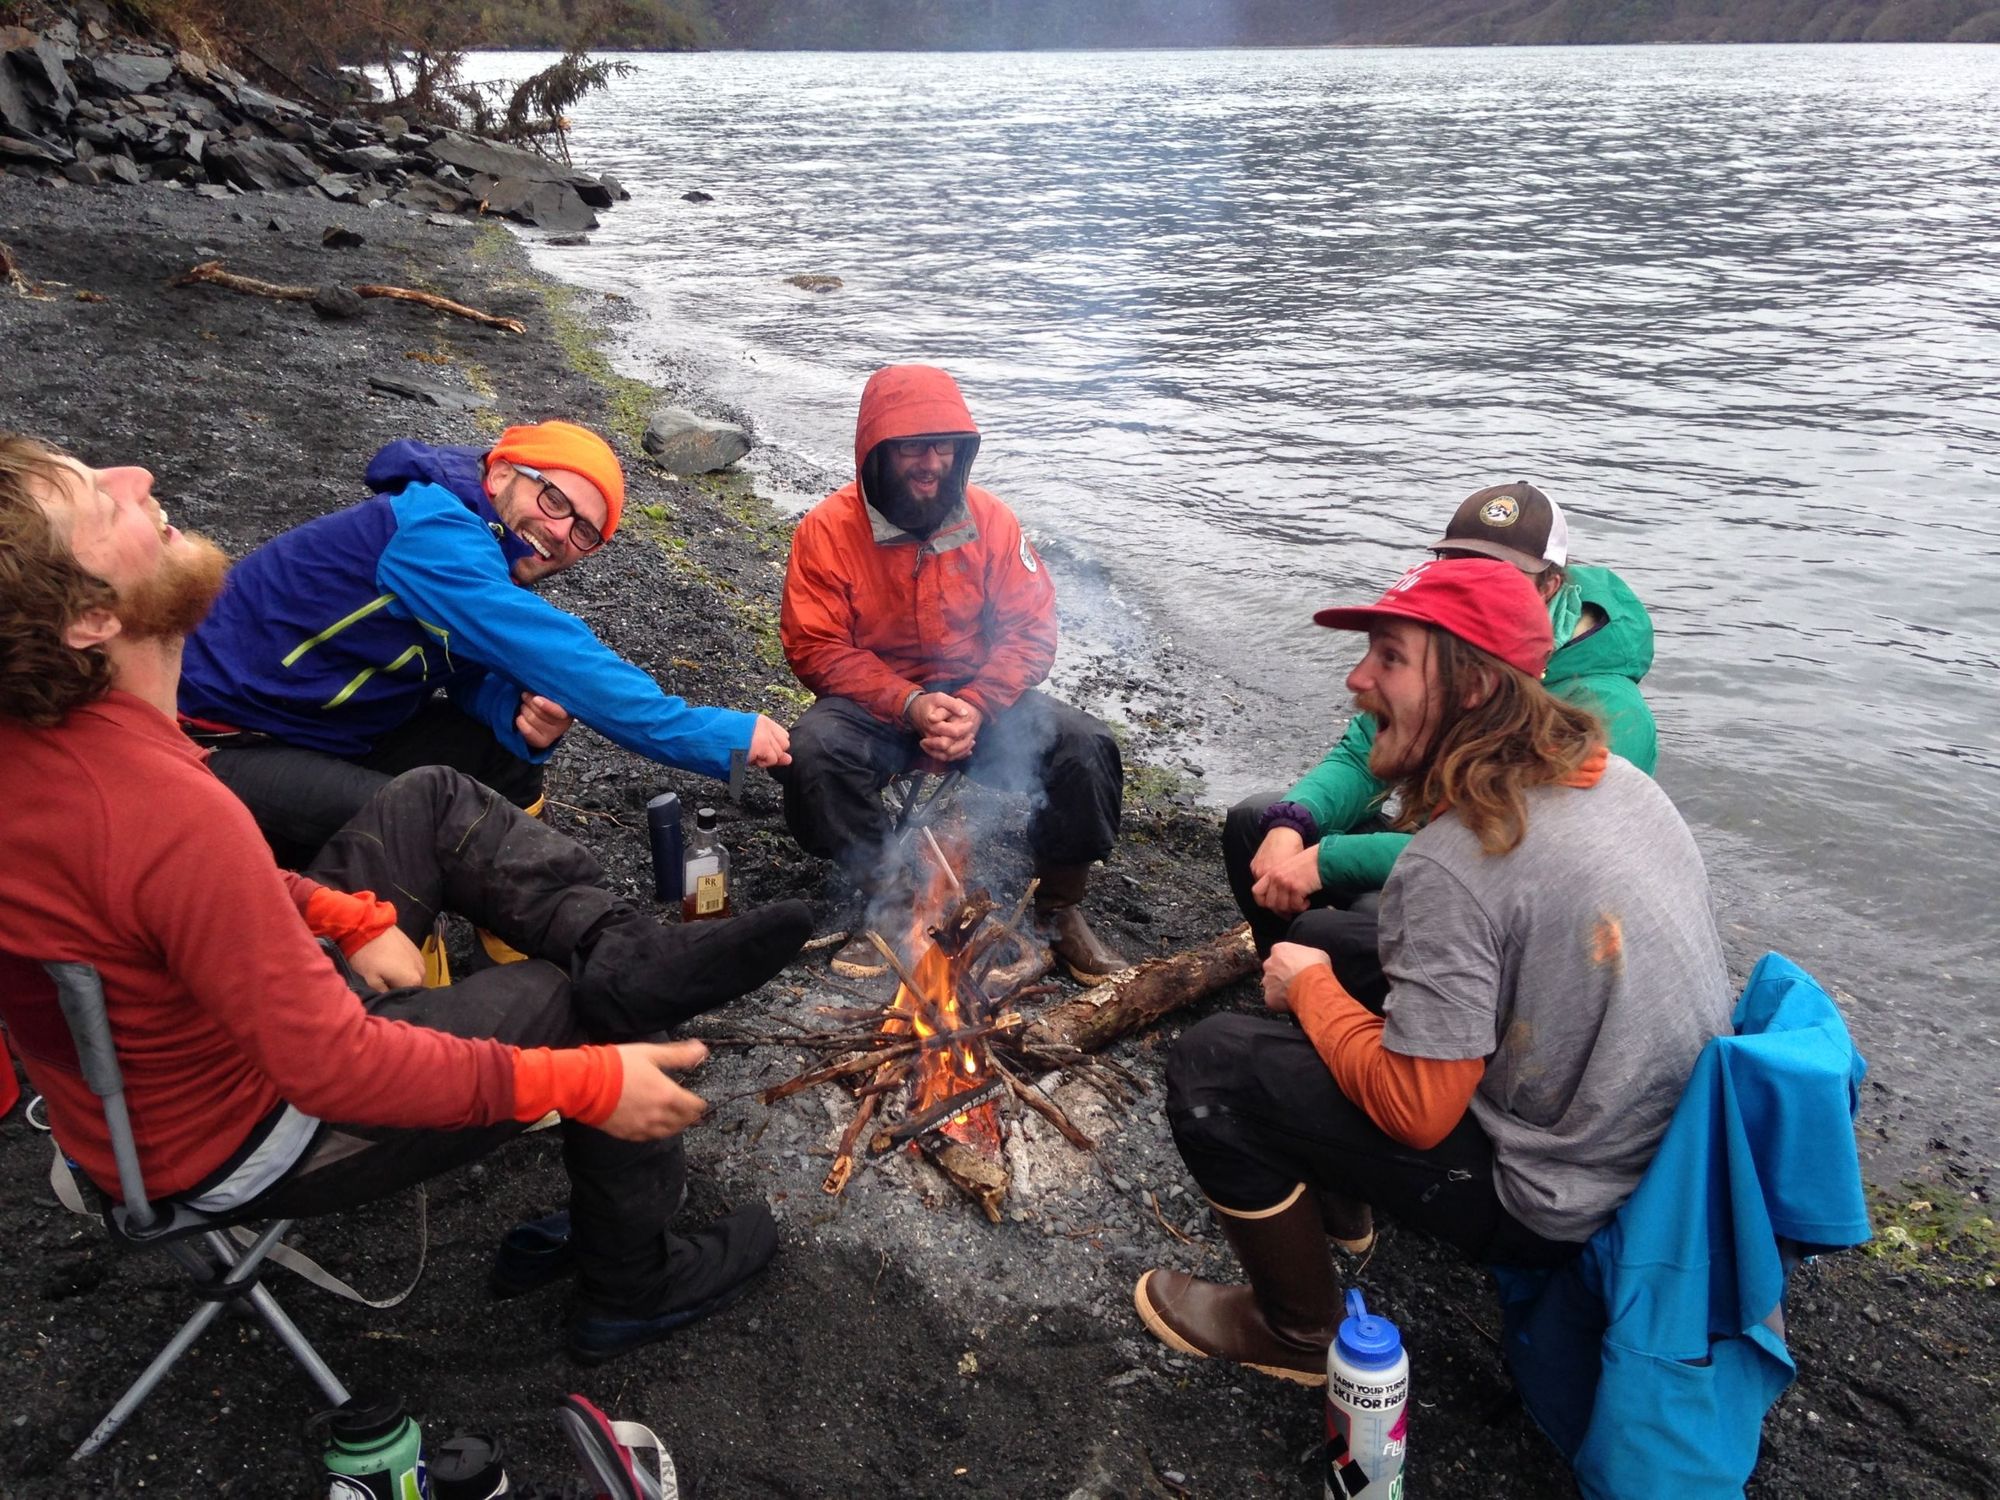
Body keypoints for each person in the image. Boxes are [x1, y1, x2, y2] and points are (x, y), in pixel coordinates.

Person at [0, 435, 814, 1363]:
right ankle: (633, 1280)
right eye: (103, 503)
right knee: (568, 1009)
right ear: (87, 623)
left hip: (194, 1050)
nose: (138, 474)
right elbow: (333, 1068)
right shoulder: (174, 807)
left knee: (432, 796)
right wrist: (583, 1080)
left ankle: (628, 952)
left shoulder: (83, 744)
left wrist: (344, 914)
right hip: (235, 1134)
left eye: (586, 531)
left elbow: (167, 894)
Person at [1135, 556, 1729, 1385]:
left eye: (1388, 659)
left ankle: (1298, 1331)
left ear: (1476, 689)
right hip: (1672, 1156)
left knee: (1215, 1065)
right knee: (1343, 943)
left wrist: (1306, 991)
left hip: (1570, 1200)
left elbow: (1417, 1112)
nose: (1356, 678)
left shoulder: (1453, 866)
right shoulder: (1611, 778)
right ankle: (1338, 1198)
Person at [175, 420, 792, 860]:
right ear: (499, 473)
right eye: (554, 499)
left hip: (324, 732)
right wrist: (721, 738)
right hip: (214, 745)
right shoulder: (433, 533)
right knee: (432, 819)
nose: (558, 533)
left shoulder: (480, 553)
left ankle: (514, 934)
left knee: (503, 745)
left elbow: (459, 667)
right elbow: (562, 655)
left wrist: (511, 710)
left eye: (584, 534)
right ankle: (415, 984)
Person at [1226, 481, 1658, 1002]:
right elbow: (1364, 757)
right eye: (1456, 565)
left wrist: (1325, 861)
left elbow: (1501, 855)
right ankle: (1292, 988)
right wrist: (1293, 824)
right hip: (1438, 845)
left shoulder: (1607, 709)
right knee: (1260, 819)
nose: (1471, 584)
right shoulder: (1441, 646)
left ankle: (1372, 1017)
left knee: (1357, 922)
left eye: (1503, 574)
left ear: (1550, 586)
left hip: (1506, 910)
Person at [776, 364, 1129, 984]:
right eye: (911, 446)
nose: (929, 463)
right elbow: (816, 646)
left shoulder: (991, 520)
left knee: (1085, 745)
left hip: (979, 700)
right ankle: (890, 903)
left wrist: (976, 703)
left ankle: (1060, 908)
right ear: (875, 452)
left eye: (943, 447)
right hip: (876, 707)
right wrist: (908, 702)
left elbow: (1029, 630)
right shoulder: (827, 531)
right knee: (814, 750)